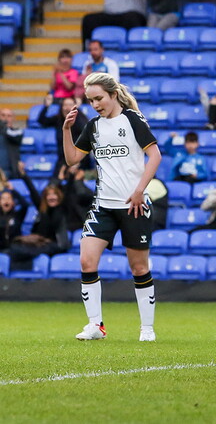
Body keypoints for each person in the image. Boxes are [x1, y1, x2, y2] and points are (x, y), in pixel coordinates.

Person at [61, 72, 161, 342]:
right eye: (90, 100)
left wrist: (139, 191)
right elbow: (72, 159)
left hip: (134, 205)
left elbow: (155, 156)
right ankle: (96, 325)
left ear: (113, 94)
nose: (95, 105)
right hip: (103, 205)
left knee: (139, 268)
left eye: (99, 98)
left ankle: (147, 328)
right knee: (86, 261)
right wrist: (66, 130)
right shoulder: (93, 126)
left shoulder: (132, 119)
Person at [8, 171, 69, 266]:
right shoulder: (42, 210)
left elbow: (69, 191)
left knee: (24, 251)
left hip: (55, 244)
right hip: (39, 242)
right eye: (48, 195)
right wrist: (24, 176)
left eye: (54, 194)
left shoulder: (62, 208)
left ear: (59, 197)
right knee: (15, 247)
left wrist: (59, 180)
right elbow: (33, 192)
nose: (51, 197)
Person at [39, 94, 90, 174]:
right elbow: (42, 121)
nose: (67, 108)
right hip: (62, 159)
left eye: (70, 105)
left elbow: (87, 140)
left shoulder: (81, 120)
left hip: (79, 159)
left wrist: (77, 110)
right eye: (65, 105)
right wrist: (46, 106)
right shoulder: (58, 119)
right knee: (55, 180)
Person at [0, 107, 23, 179]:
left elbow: (14, 137)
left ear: (13, 118)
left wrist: (3, 126)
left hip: (10, 172)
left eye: (9, 116)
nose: (6, 118)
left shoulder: (17, 132)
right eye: (3, 115)